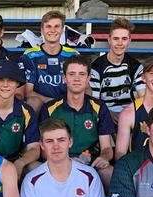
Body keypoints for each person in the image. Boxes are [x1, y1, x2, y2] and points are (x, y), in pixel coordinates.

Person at [40, 55, 116, 188]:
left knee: (109, 172)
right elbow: (43, 150)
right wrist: (65, 161)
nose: (76, 79)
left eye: (81, 74)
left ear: (88, 79)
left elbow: (107, 148)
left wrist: (104, 158)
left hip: (90, 162)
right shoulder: (50, 108)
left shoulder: (99, 107)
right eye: (71, 74)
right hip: (58, 161)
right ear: (64, 78)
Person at [21, 10, 79, 112]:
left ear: (62, 30)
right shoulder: (30, 55)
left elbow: (83, 86)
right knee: (33, 101)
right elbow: (28, 92)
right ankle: (33, 128)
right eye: (48, 26)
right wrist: (52, 102)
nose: (52, 30)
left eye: (56, 26)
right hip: (42, 102)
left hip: (67, 103)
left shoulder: (73, 55)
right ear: (42, 30)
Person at [89, 18, 145, 122]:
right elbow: (94, 101)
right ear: (109, 40)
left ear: (129, 41)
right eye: (116, 39)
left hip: (129, 113)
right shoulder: (96, 67)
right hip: (104, 114)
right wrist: (108, 114)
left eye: (124, 39)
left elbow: (143, 96)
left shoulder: (135, 66)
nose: (120, 43)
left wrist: (128, 113)